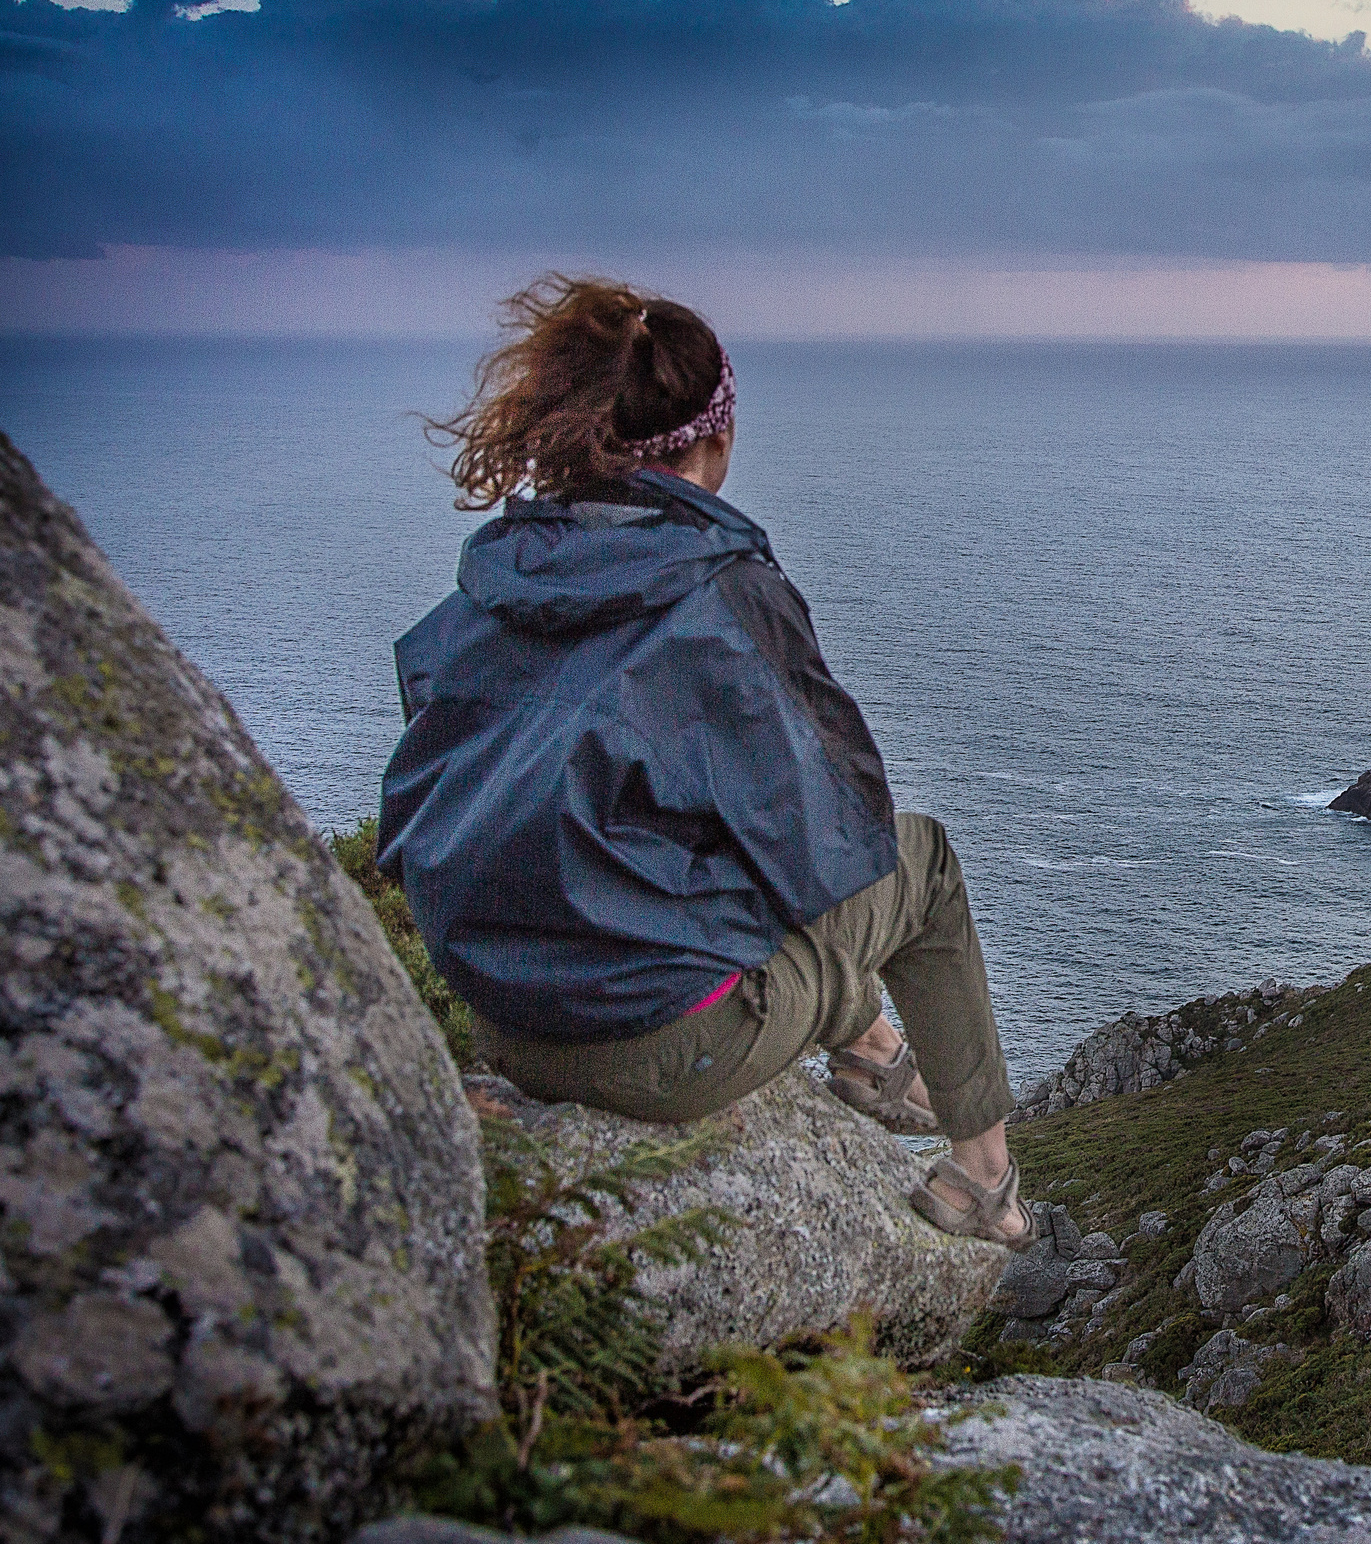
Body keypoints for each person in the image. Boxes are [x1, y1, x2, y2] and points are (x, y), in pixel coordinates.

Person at [377, 274, 1030, 1249]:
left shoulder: (493, 582)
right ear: (713, 441)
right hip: (662, 1051)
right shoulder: (719, 597)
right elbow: (836, 843)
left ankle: (869, 1048)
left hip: (507, 1025)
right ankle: (984, 1180)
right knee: (919, 860)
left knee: (673, 847)